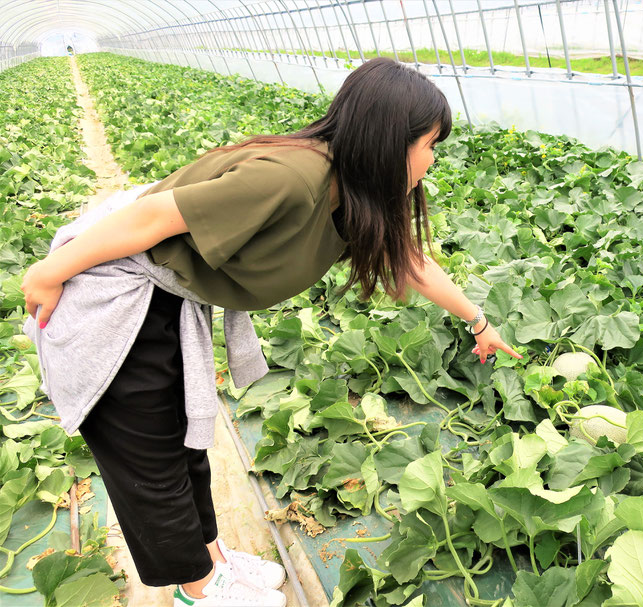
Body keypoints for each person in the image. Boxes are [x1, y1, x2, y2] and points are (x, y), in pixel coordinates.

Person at [20, 57, 521, 607]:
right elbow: (149, 220)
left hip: (167, 299)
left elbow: (408, 262)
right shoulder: (290, 179)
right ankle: (197, 588)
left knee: (186, 442)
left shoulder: (349, 191)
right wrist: (47, 272)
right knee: (152, 461)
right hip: (114, 297)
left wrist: (479, 321)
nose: (432, 159)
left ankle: (212, 560)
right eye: (429, 144)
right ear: (389, 141)